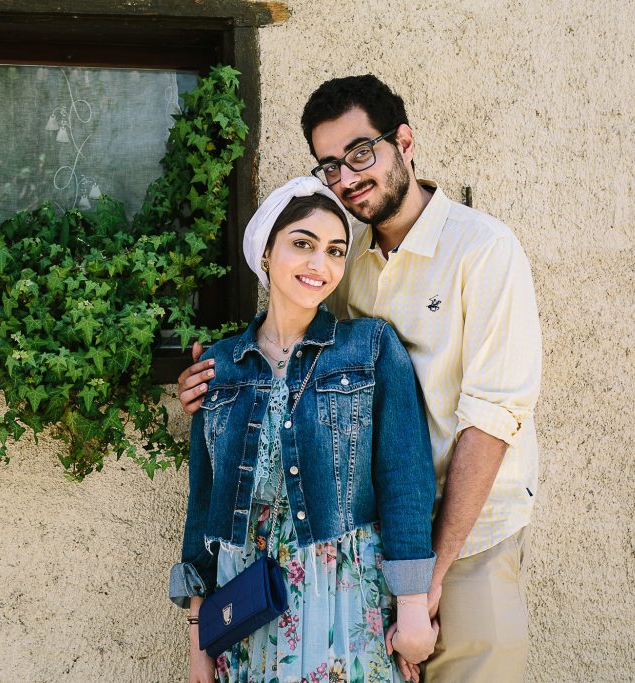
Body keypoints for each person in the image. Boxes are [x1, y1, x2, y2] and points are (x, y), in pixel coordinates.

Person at [178, 76, 543, 683]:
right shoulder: (347, 264)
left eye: (360, 152)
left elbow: (493, 418)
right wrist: (214, 373)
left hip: (470, 538)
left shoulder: (483, 249)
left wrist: (426, 580)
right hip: (371, 549)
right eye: (330, 165)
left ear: (404, 142)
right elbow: (288, 345)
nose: (346, 177)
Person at [169, 176, 439, 683]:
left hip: (346, 598)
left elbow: (405, 480)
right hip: (247, 605)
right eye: (302, 244)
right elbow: (203, 509)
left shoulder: (370, 348)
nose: (320, 264)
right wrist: (199, 637)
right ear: (266, 252)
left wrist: (412, 607)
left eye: (335, 251)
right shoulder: (219, 367)